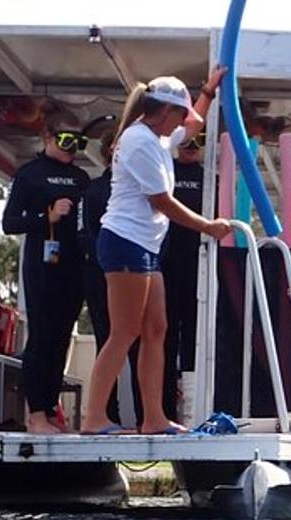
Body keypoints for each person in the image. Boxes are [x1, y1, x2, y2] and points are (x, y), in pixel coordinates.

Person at [80, 73, 232, 435]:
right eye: (179, 115)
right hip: (124, 241)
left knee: (156, 328)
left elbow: (194, 122)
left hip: (145, 246)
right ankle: (94, 417)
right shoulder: (139, 142)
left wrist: (208, 90)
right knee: (124, 331)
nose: (184, 124)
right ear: (165, 112)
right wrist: (208, 226)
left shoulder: (159, 137)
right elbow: (161, 201)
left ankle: (154, 418)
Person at [2, 105, 91, 434]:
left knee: (60, 338)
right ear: (48, 136)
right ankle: (35, 412)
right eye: (67, 141)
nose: (72, 149)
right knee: (40, 336)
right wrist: (46, 218)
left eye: (79, 142)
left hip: (73, 266)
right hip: (42, 266)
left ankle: (51, 407)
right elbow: (9, 223)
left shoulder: (82, 178)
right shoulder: (29, 174)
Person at [80, 130, 140, 426]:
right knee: (110, 339)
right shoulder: (93, 190)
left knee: (142, 340)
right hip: (103, 275)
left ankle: (146, 415)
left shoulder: (141, 185)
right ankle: (105, 414)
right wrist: (111, 263)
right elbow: (85, 235)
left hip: (138, 271)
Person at [159, 130, 206, 421]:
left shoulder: (210, 179)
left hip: (198, 271)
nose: (191, 147)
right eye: (187, 140)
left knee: (194, 340)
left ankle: (191, 411)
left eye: (199, 141)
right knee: (163, 339)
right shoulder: (165, 173)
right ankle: (161, 410)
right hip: (164, 268)